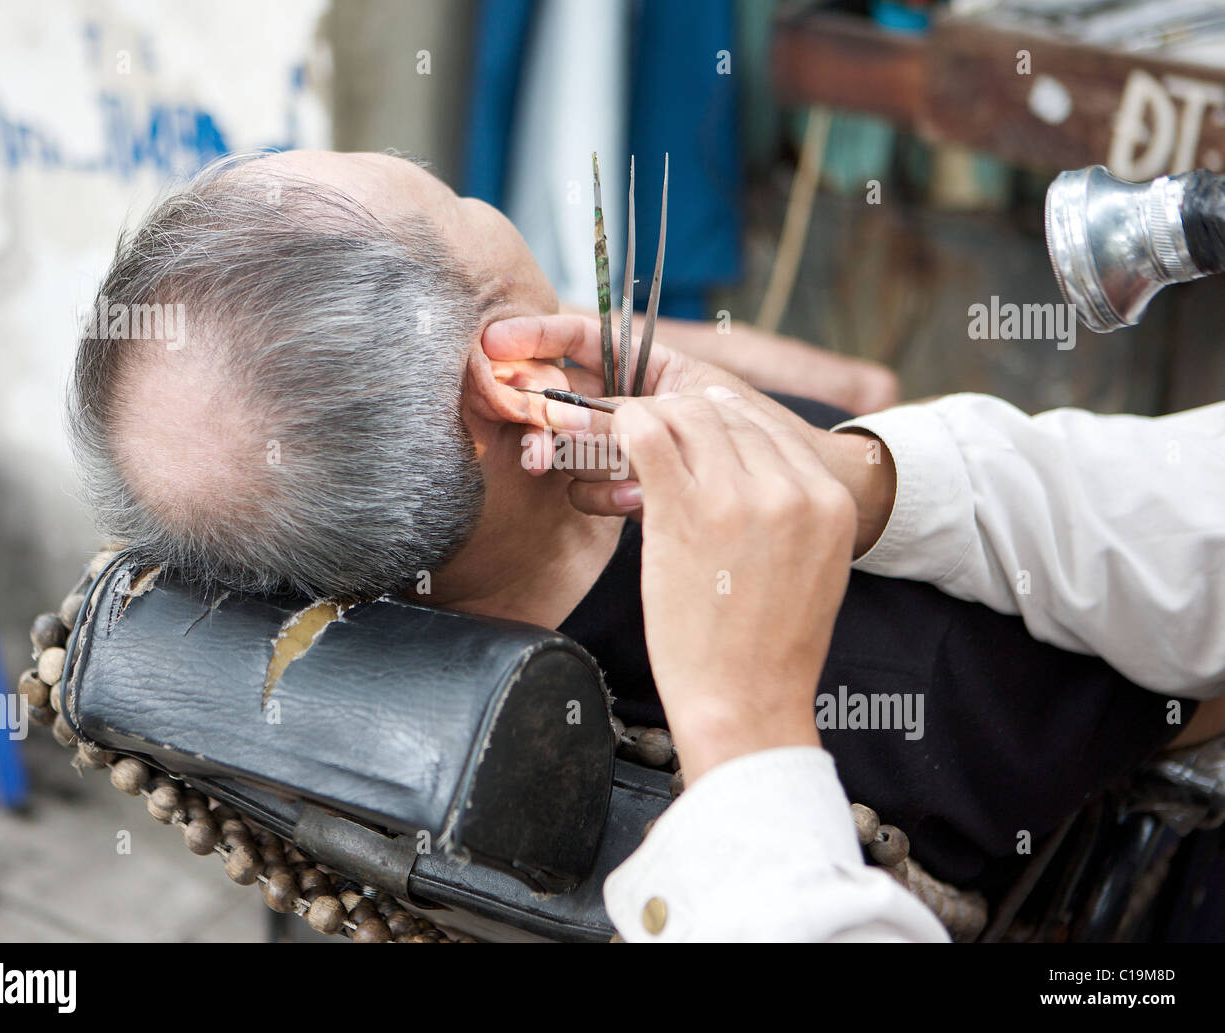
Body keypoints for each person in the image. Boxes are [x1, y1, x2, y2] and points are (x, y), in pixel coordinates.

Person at [66, 149, 1222, 931]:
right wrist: (748, 726)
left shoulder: (353, 739)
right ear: (512, 374)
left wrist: (867, 471)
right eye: (458, 198)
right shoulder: (894, 687)